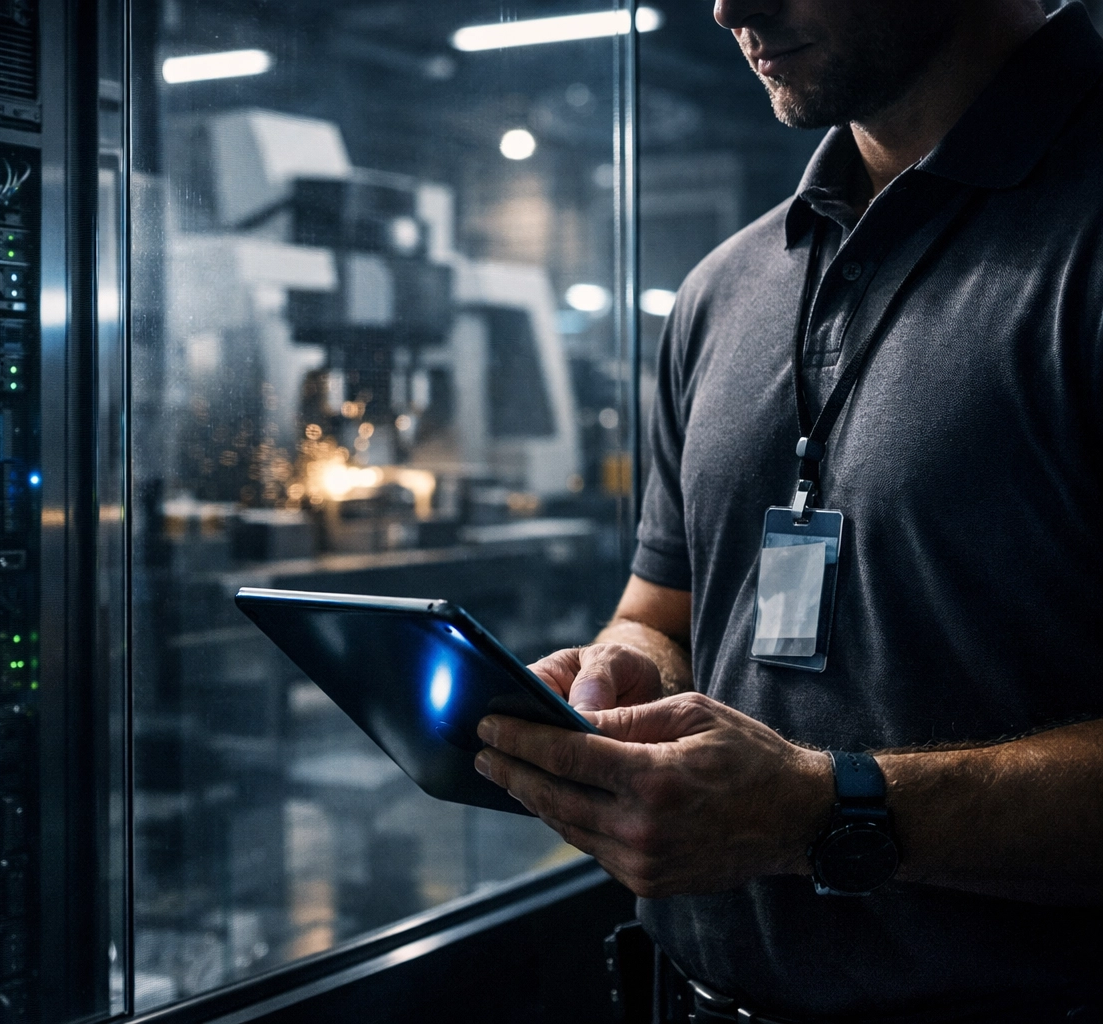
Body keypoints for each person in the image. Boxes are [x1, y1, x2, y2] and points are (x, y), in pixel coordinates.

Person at [472, 1, 1103, 1020]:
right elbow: (662, 610)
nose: (729, 8)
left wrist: (825, 810)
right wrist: (623, 673)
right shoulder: (727, 288)